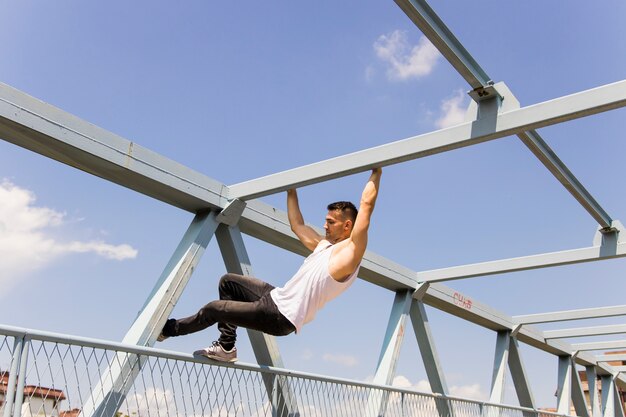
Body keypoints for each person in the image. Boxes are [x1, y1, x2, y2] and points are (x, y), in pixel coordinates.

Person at [157, 168, 382, 362]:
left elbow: (366, 205)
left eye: (331, 222)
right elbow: (297, 224)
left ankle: (167, 330)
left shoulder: (350, 255)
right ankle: (226, 347)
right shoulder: (323, 246)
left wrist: (376, 170)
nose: (324, 225)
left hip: (281, 317)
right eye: (325, 220)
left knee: (214, 309)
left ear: (347, 225)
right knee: (228, 282)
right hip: (275, 297)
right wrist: (291, 189)